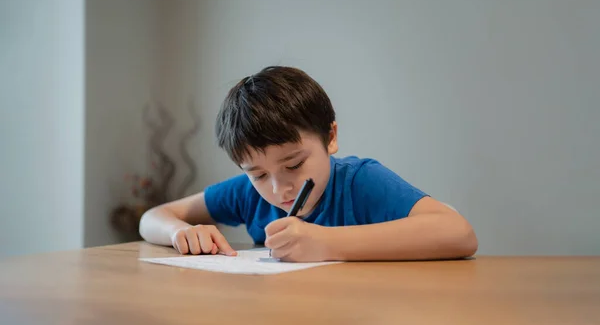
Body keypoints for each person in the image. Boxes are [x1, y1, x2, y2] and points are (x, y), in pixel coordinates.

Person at [139, 66, 478, 262]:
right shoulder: (247, 193)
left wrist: (325, 243)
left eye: (294, 164)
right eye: (258, 174)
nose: (278, 187)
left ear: (330, 138)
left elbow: (459, 233)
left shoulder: (359, 182)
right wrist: (181, 232)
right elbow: (152, 217)